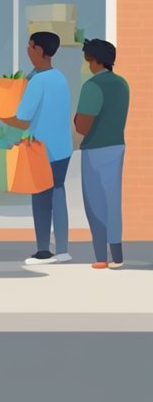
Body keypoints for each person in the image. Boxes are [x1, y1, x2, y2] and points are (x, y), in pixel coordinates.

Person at [3, 32, 74, 265]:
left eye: (31, 46)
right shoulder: (59, 78)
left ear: (40, 51)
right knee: (58, 194)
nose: (28, 50)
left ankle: (43, 251)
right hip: (62, 149)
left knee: (41, 199)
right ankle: (63, 249)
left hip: (41, 150)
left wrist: (4, 117)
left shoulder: (38, 82)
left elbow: (22, 119)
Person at [74, 39, 129, 270]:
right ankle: (117, 255)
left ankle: (100, 257)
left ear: (92, 59)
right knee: (113, 200)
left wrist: (76, 119)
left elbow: (82, 126)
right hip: (117, 146)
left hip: (96, 148)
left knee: (95, 203)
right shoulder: (122, 84)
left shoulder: (91, 86)